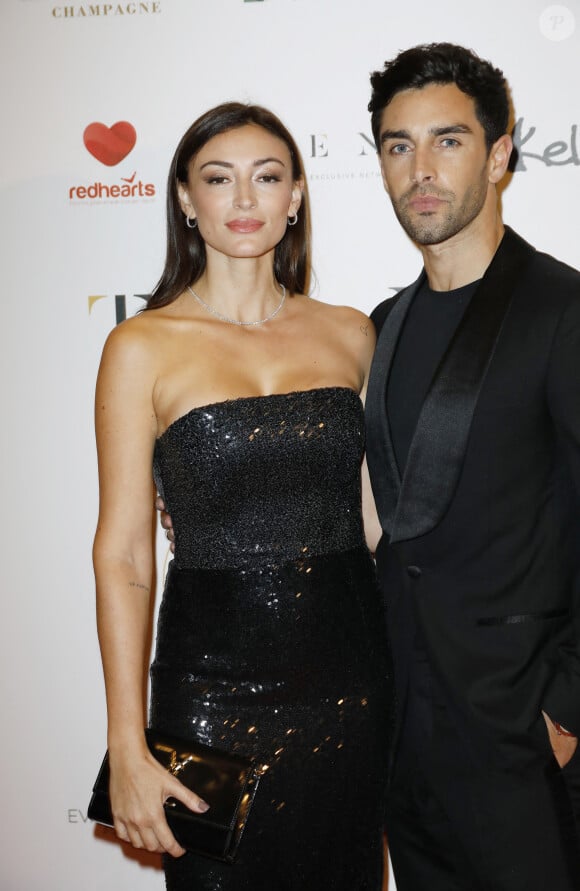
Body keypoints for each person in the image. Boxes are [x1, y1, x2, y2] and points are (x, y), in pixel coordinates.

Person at [92, 101, 391, 891]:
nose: (246, 200)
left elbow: (377, 523)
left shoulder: (352, 334)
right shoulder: (140, 345)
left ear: (296, 195)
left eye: (268, 177)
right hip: (209, 688)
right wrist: (128, 738)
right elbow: (123, 552)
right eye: (218, 179)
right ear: (186, 200)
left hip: (351, 685)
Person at [365, 42, 580, 891]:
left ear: (498, 153)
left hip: (524, 746)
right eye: (397, 145)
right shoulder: (381, 325)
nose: (421, 169)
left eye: (447, 141)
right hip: (407, 747)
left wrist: (566, 709)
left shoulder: (563, 312)